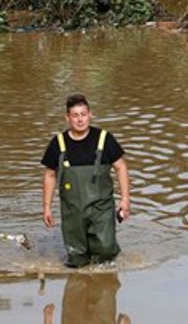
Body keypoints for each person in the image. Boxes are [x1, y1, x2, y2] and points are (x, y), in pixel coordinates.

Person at [41, 93, 131, 268]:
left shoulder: (105, 139)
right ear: (67, 118)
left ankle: (103, 284)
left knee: (106, 251)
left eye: (83, 114)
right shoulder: (58, 143)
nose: (80, 119)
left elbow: (121, 167)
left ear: (90, 114)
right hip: (72, 210)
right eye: (75, 115)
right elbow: (50, 175)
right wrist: (46, 207)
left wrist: (125, 199)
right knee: (76, 258)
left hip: (101, 208)